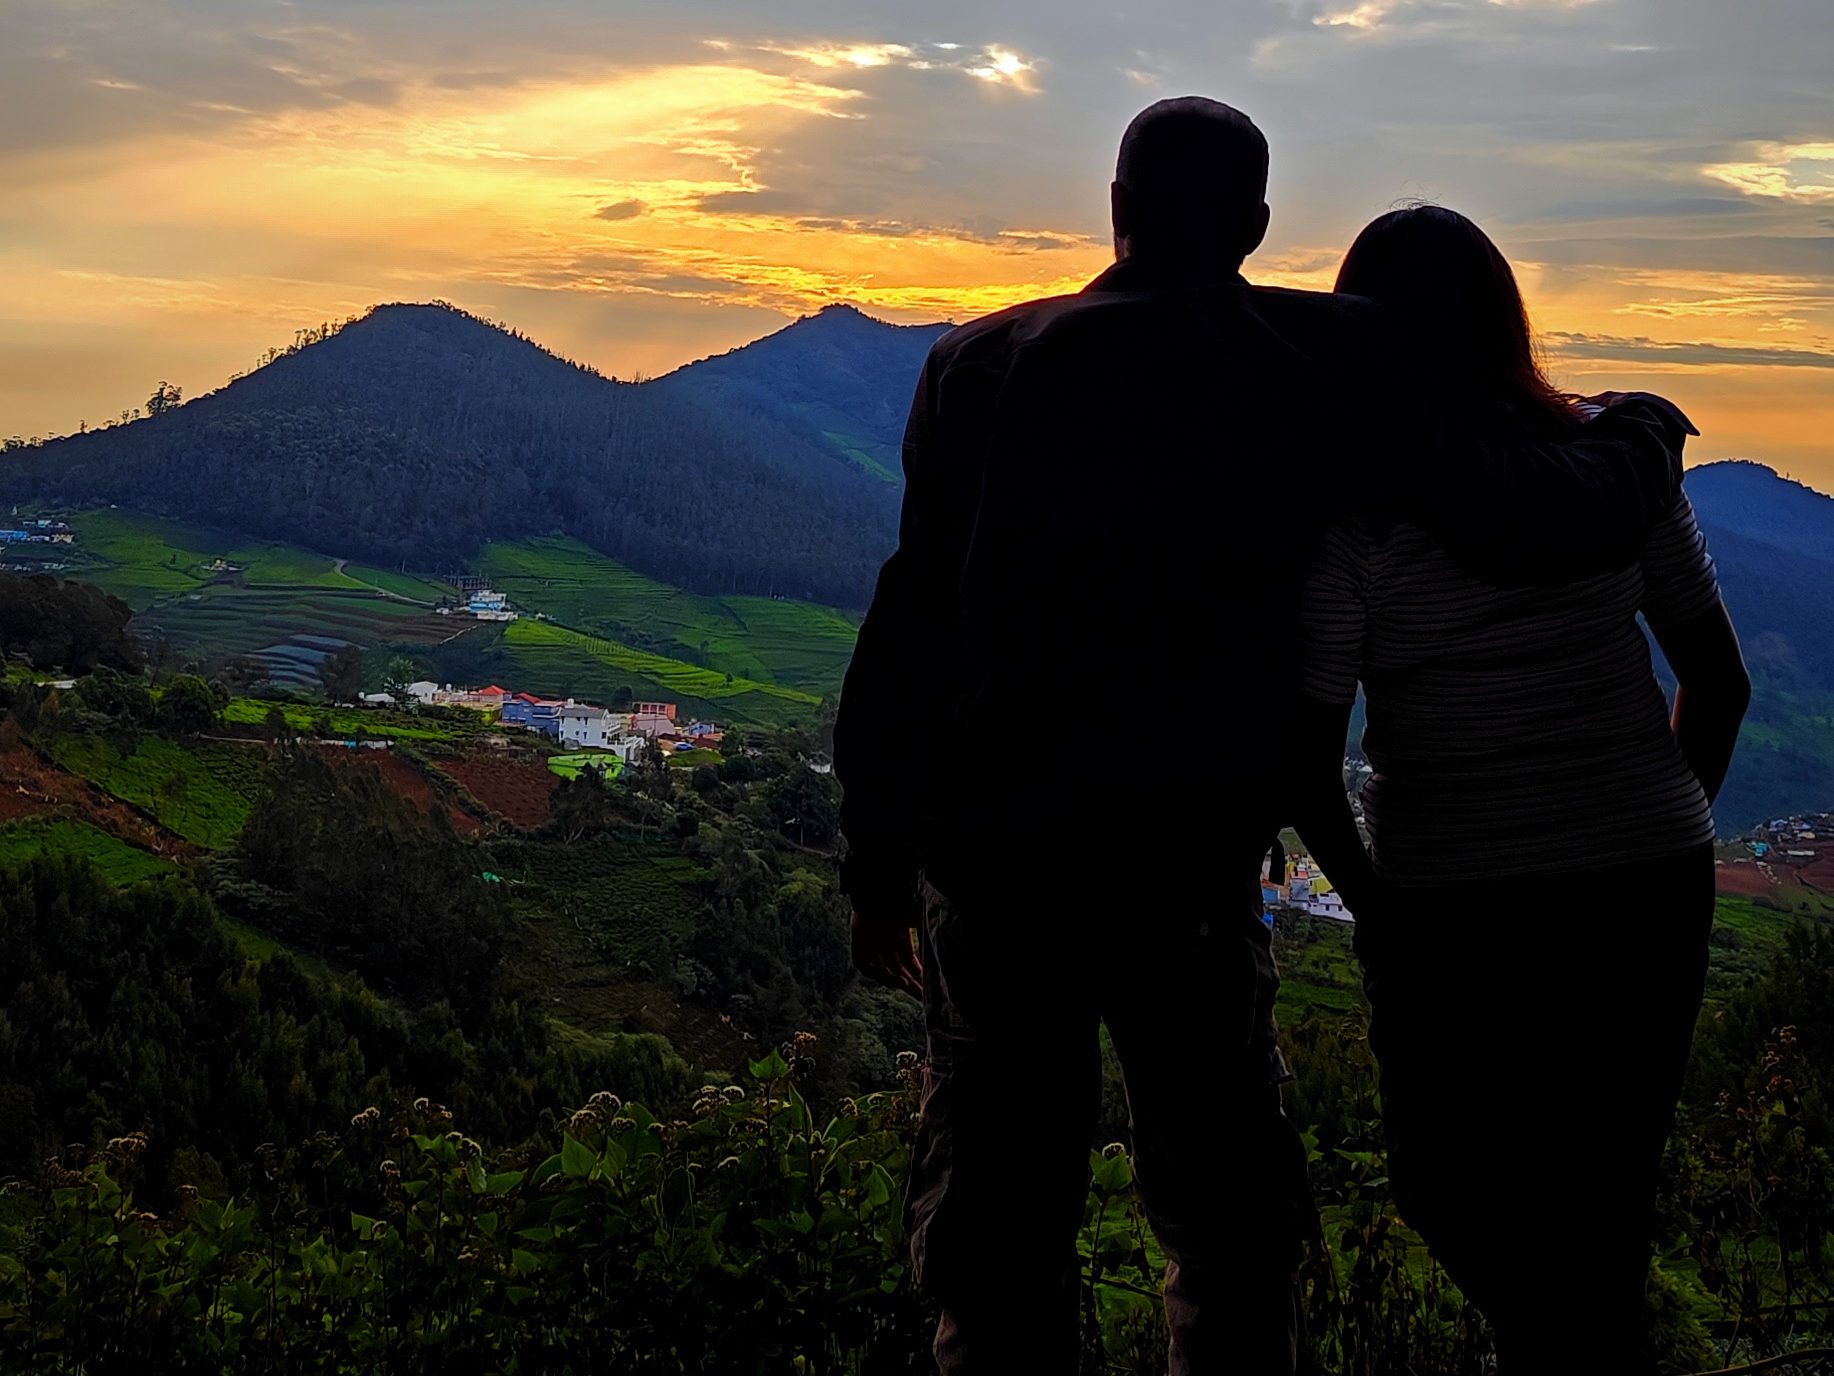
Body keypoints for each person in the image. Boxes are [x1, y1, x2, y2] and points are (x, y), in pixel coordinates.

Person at [834, 98, 1693, 1375]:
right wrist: (1636, 434)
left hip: (996, 864)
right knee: (1228, 1224)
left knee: (999, 1224)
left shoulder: (979, 363)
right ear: (1258, 224)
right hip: (1186, 868)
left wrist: (874, 856)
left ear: (1114, 210)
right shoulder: (1318, 363)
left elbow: (911, 625)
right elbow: (1510, 499)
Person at [1290, 205, 1751, 1373]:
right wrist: (1655, 818)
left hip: (1458, 899)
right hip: (1646, 885)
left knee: (1450, 1186)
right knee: (1603, 1198)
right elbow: (1719, 678)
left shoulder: (1355, 510)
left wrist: (1381, 912)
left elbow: (1301, 748)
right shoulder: (1620, 463)